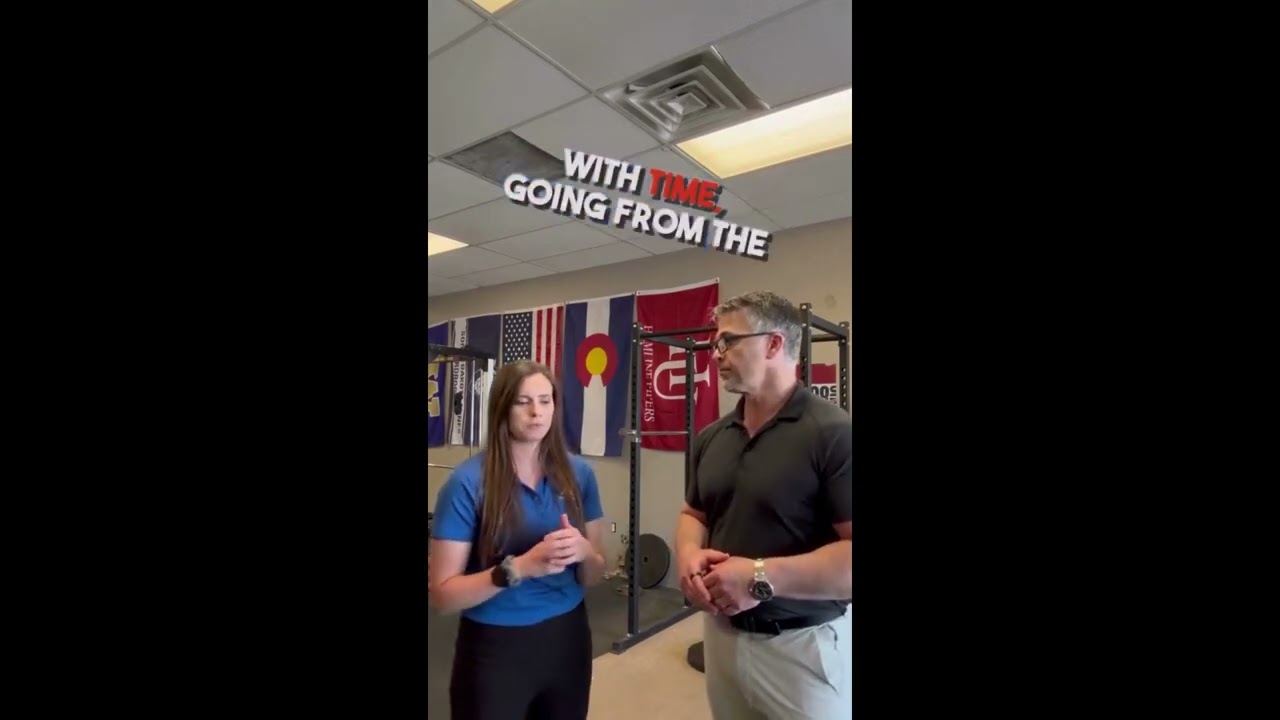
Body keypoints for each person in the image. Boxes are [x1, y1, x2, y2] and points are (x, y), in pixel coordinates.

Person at [675, 291, 853, 720]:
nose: (716, 353)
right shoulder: (712, 437)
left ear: (774, 344)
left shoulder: (833, 434)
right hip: (722, 637)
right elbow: (693, 514)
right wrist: (688, 554)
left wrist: (757, 577)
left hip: (801, 648)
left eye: (729, 341)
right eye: (716, 343)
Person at [429, 360, 608, 720]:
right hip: (497, 645)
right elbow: (442, 596)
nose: (536, 412)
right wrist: (521, 567)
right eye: (523, 402)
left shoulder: (580, 474)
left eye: (545, 400)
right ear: (502, 408)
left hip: (568, 637)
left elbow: (594, 574)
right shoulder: (467, 483)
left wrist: (585, 551)